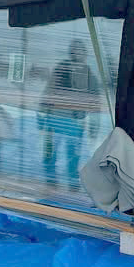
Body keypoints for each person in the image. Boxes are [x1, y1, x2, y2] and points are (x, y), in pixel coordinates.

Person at [40, 39, 97, 189]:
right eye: (74, 50)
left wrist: (93, 128)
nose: (77, 53)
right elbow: (48, 92)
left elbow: (95, 100)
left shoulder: (88, 73)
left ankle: (72, 184)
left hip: (74, 123)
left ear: (84, 53)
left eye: (80, 50)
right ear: (70, 52)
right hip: (55, 120)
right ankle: (51, 183)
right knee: (50, 155)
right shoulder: (61, 69)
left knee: (73, 156)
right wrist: (41, 117)